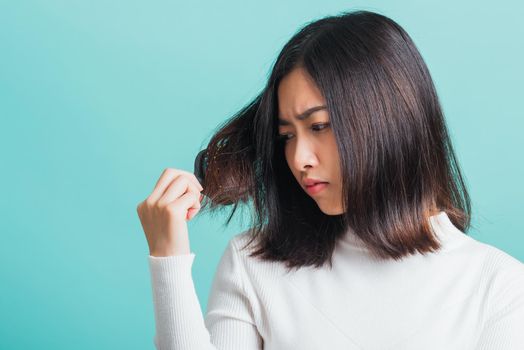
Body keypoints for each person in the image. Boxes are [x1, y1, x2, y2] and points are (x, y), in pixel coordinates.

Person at [136, 10, 524, 350]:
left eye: (319, 126)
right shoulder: (254, 263)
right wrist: (168, 258)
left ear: (390, 121)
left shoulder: (499, 287)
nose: (299, 158)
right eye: (287, 135)